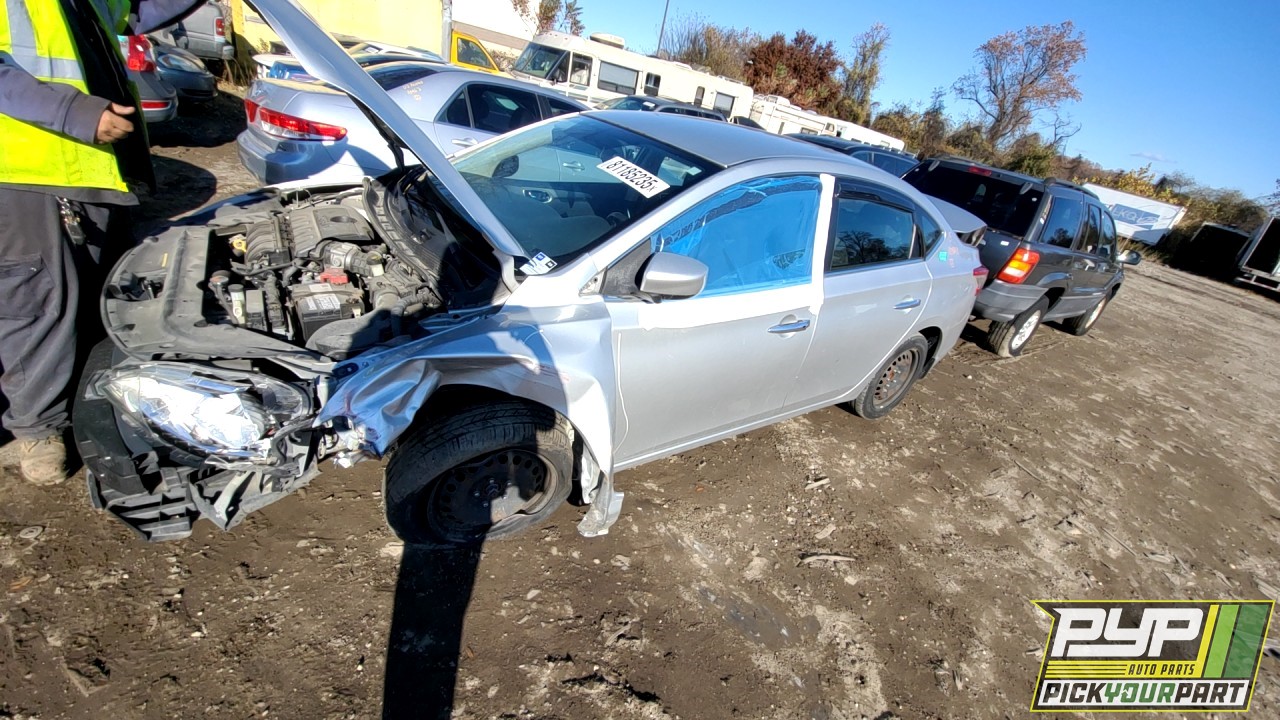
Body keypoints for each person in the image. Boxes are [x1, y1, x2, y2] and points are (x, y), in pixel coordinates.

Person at [0, 0, 201, 484]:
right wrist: (73, 112)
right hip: (28, 169)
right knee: (39, 304)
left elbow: (140, 8)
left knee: (95, 302)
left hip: (93, 168)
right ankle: (35, 430)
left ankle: (86, 411)